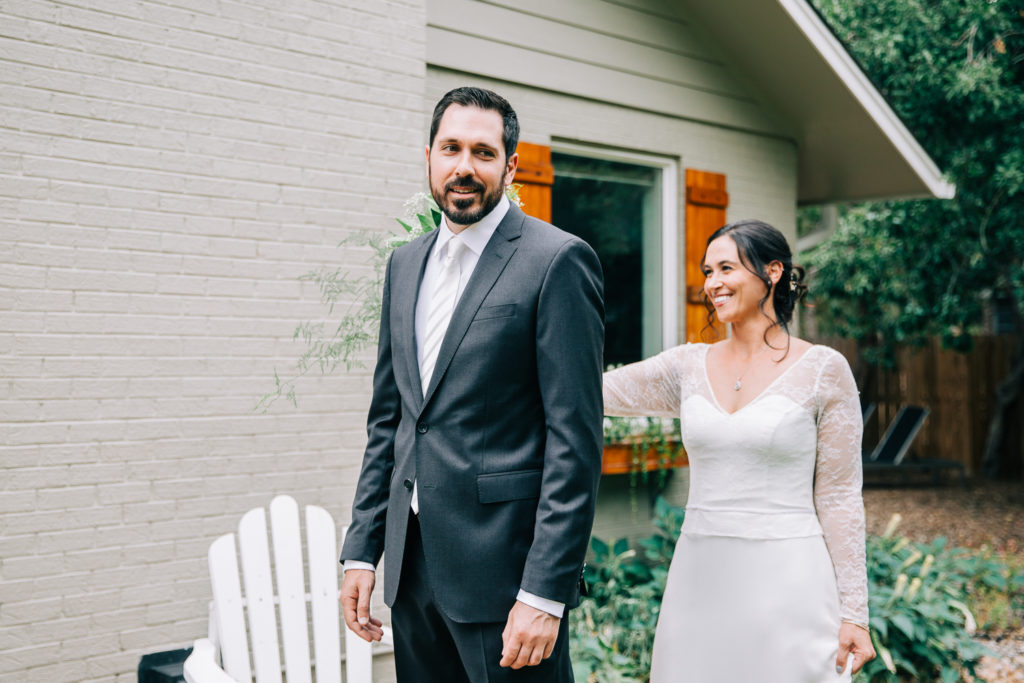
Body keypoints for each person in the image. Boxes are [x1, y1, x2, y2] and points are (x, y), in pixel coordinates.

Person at [338, 86, 605, 682]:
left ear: (511, 167)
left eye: (483, 152)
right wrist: (362, 548)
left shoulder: (557, 261)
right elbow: (392, 420)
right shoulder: (403, 264)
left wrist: (544, 592)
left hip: (505, 580)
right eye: (451, 148)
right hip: (413, 573)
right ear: (428, 157)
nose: (464, 167)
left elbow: (575, 440)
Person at [603, 219, 876, 681]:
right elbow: (589, 391)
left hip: (790, 581)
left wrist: (855, 612)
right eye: (708, 272)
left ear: (772, 272)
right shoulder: (687, 366)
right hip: (700, 576)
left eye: (726, 268)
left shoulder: (823, 370)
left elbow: (839, 497)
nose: (713, 283)